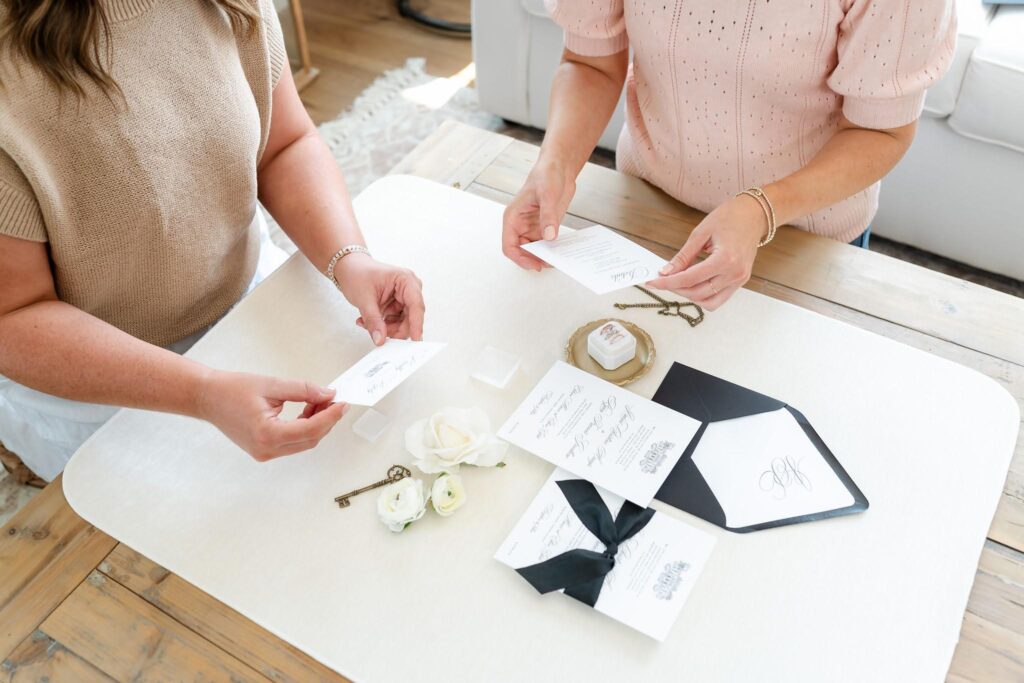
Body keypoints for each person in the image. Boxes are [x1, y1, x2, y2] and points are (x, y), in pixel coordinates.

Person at [0, 0, 426, 484]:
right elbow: (13, 317)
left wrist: (350, 260)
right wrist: (202, 392)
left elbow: (284, 144)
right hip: (101, 391)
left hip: (249, 299)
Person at [502, 0, 955, 310]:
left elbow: (881, 131)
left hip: (803, 235)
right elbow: (590, 63)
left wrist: (761, 208)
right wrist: (555, 164)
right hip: (646, 205)